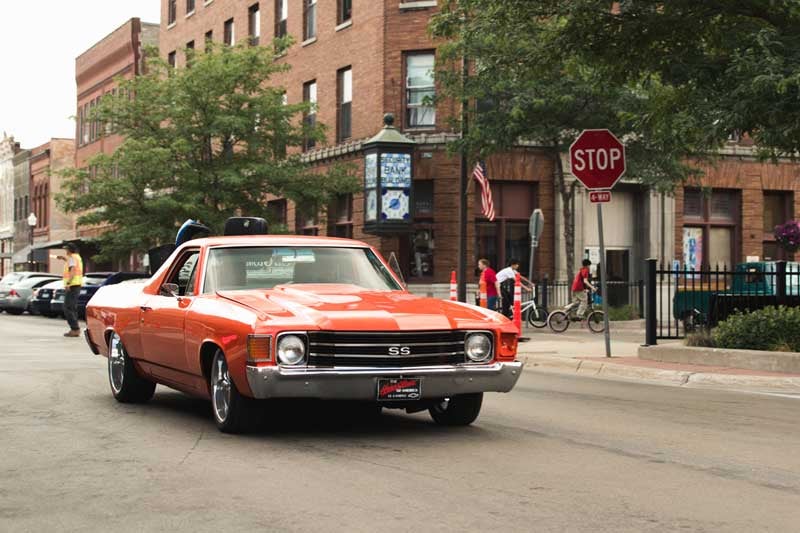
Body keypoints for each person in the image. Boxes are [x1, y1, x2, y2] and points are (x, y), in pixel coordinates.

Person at [57, 243, 84, 337]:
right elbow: (72, 265)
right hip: (76, 284)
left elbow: (72, 270)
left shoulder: (72, 258)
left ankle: (75, 329)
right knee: (72, 307)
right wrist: (63, 259)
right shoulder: (76, 257)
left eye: (66, 249)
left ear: (70, 250)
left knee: (67, 307)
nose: (66, 251)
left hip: (72, 285)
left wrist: (68, 283)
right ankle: (75, 329)